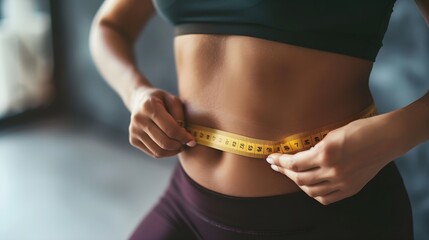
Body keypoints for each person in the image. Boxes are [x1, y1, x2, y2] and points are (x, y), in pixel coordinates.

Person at [90, 0, 429, 239]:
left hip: (331, 218)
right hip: (186, 204)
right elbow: (109, 26)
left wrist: (391, 137)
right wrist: (135, 93)